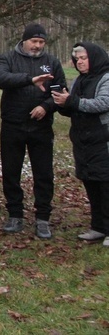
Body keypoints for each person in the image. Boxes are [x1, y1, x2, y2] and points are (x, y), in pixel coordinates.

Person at [0, 23, 66, 239]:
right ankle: (15, 215)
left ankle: (43, 218)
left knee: (43, 173)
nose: (37, 45)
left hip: (41, 127)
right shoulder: (7, 58)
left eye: (41, 42)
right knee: (11, 171)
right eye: (34, 41)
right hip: (13, 124)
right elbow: (2, 79)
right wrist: (29, 79)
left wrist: (46, 106)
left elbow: (61, 90)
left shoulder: (51, 62)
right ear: (24, 41)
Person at [54, 43, 109, 247]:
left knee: (105, 184)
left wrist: (73, 102)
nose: (80, 62)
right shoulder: (79, 79)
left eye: (84, 58)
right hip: (83, 140)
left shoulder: (106, 78)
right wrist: (63, 104)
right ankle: (98, 227)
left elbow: (103, 103)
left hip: (103, 139)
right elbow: (75, 106)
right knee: (91, 181)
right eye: (77, 59)